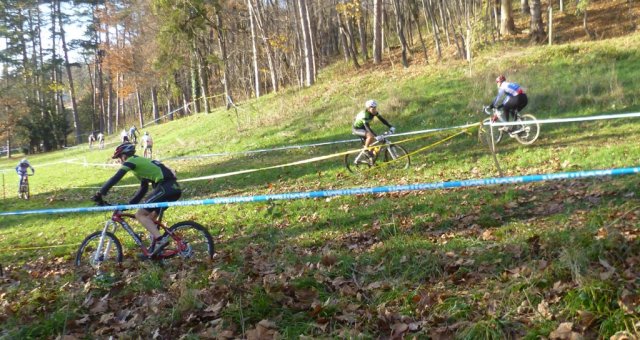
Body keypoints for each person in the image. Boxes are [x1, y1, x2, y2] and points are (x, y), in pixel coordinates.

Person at [92, 143, 182, 256]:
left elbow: (116, 177)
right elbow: (143, 189)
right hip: (172, 188)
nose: (120, 161)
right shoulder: (140, 164)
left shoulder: (132, 161)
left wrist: (101, 192)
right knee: (150, 218)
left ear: (124, 156)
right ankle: (156, 251)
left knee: (140, 215)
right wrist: (129, 205)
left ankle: (161, 241)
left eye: (120, 158)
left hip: (165, 187)